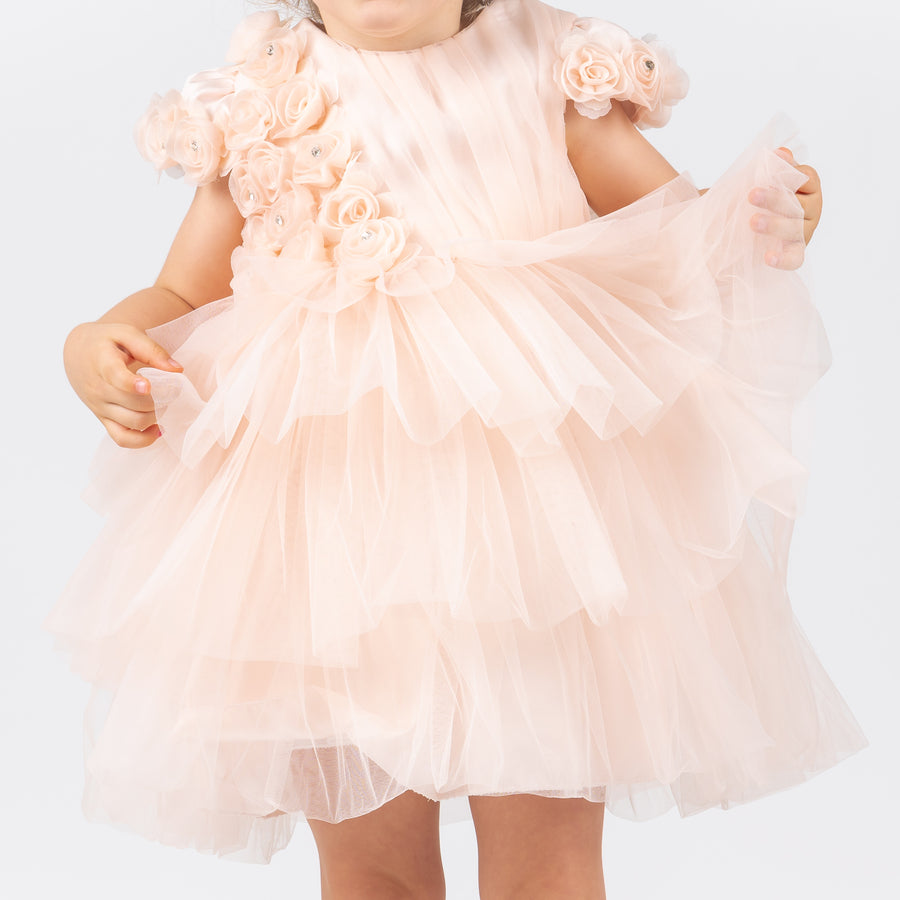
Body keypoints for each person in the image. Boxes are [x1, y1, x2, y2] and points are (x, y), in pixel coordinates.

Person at [44, 0, 868, 897]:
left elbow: (679, 236)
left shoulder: (547, 65)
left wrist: (761, 214)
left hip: (531, 541)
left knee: (546, 863)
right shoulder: (261, 98)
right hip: (330, 543)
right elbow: (181, 291)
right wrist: (98, 342)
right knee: (370, 867)